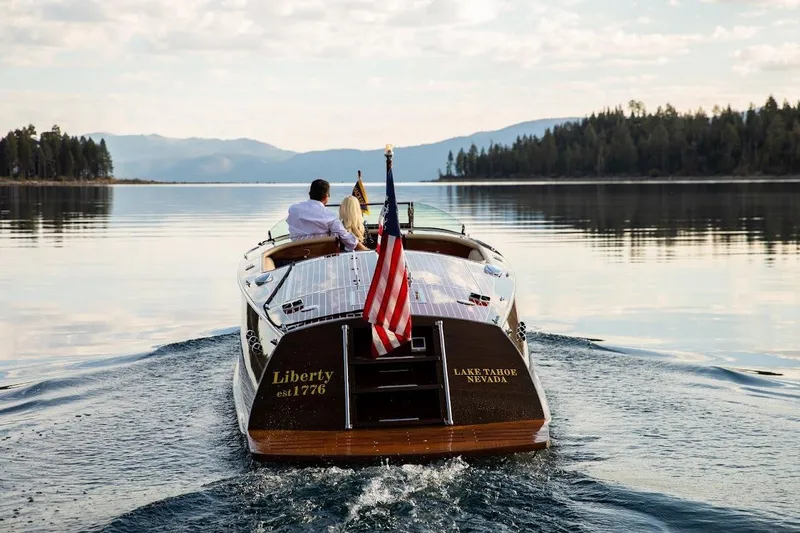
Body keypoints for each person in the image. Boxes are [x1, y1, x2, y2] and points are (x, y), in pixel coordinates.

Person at [287, 179, 368, 252]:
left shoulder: (293, 209)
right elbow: (345, 237)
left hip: (296, 254)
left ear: (309, 194)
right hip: (320, 256)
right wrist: (367, 251)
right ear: (327, 196)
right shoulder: (329, 215)